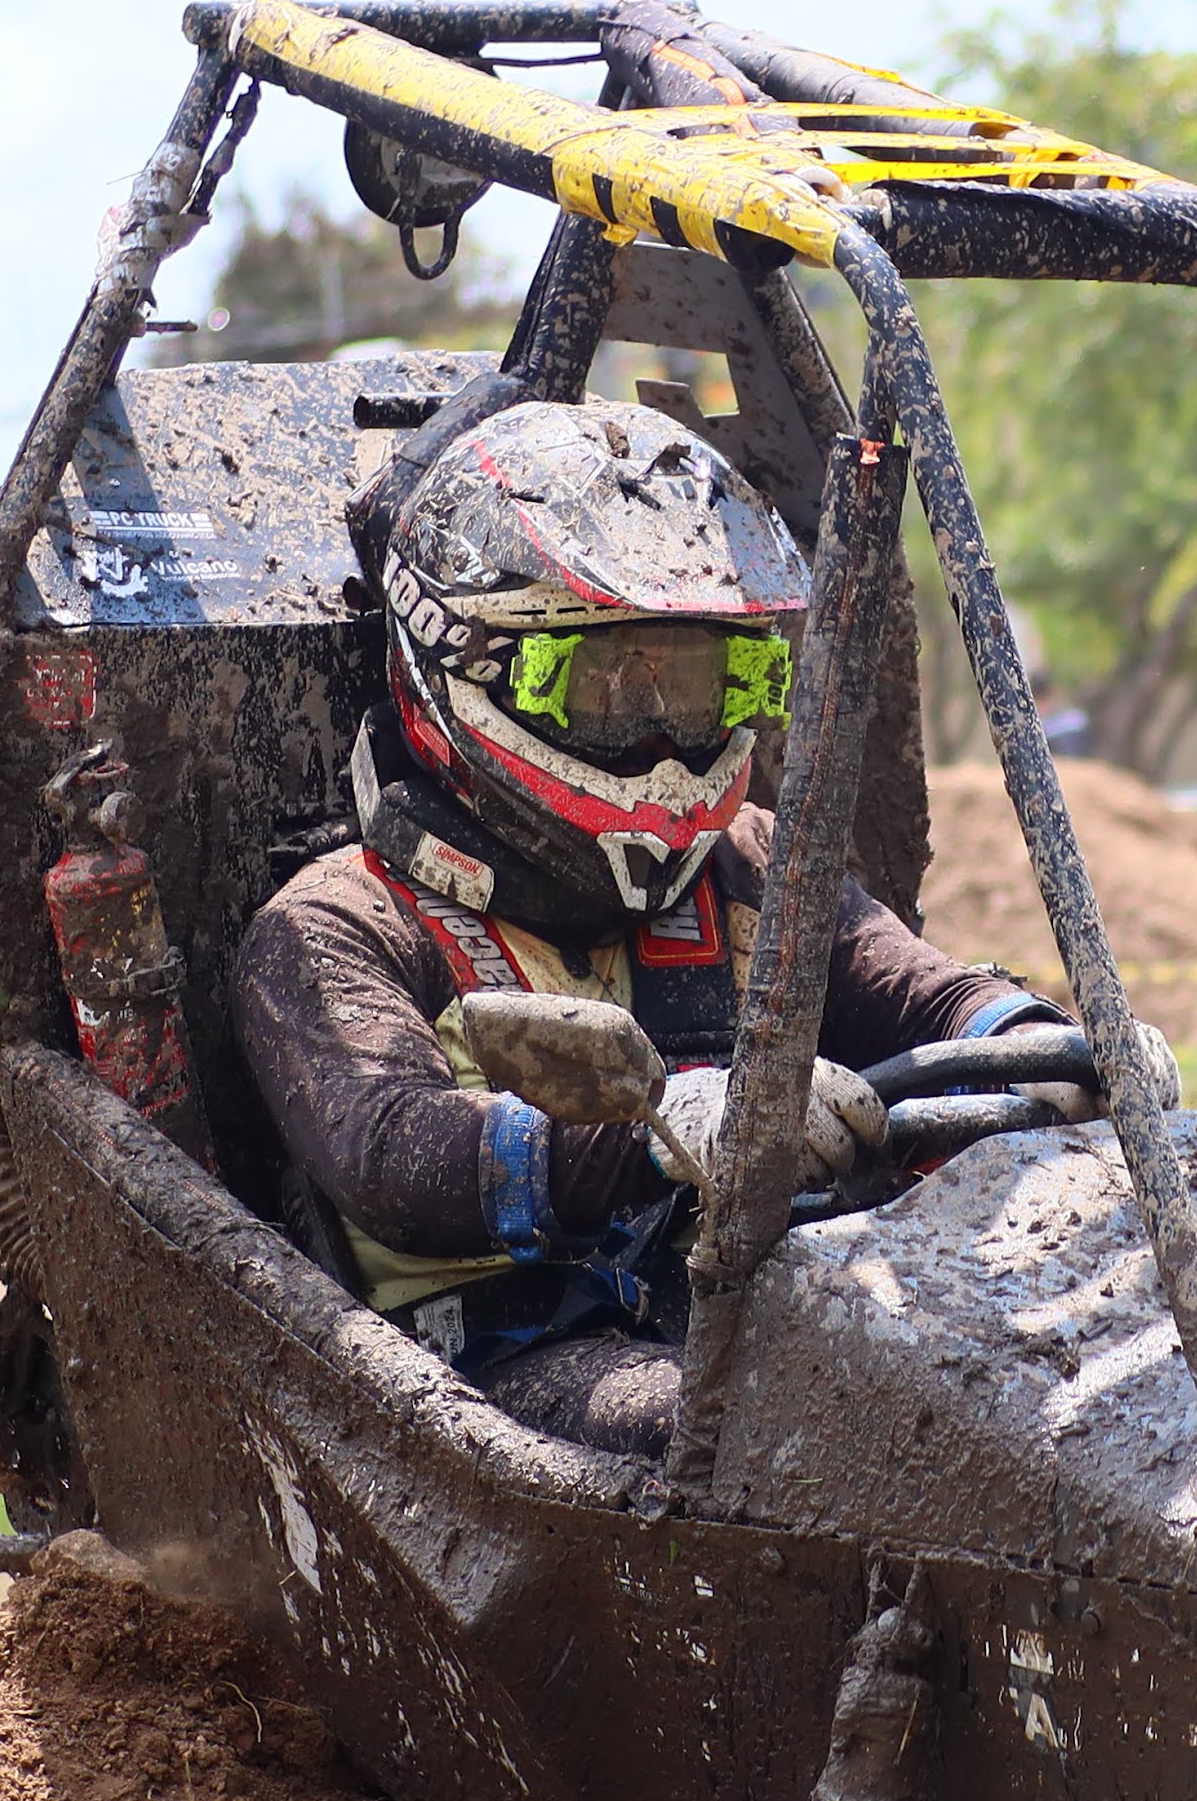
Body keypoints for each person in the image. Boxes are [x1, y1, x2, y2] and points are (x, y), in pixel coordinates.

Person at [238, 396, 1062, 1454]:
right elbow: (394, 1153)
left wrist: (1041, 1044)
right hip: (498, 1377)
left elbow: (917, 992)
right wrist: (667, 1129)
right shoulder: (338, 922)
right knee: (778, 1428)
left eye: (704, 684)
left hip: (752, 1313)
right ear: (466, 662)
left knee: (1024, 1355)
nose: (668, 738)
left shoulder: (747, 859)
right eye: (613, 689)